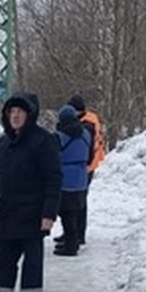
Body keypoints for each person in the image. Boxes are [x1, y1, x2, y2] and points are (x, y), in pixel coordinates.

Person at [0, 92, 62, 292]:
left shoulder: (43, 141)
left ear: (30, 115)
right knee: (2, 261)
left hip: (33, 215)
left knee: (32, 265)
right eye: (11, 112)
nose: (15, 116)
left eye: (20, 112)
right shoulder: (5, 142)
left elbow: (53, 179)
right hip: (7, 213)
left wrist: (49, 213)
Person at [57, 94, 106, 250]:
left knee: (75, 203)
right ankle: (73, 234)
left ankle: (76, 235)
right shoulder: (88, 123)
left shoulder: (86, 125)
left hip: (85, 167)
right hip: (86, 166)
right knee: (77, 202)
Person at [53, 105, 91, 256]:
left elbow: (53, 154)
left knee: (66, 213)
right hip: (82, 176)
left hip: (66, 178)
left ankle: (70, 246)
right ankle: (74, 240)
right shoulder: (86, 133)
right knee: (76, 212)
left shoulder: (61, 136)